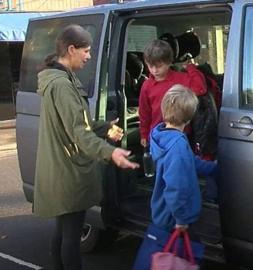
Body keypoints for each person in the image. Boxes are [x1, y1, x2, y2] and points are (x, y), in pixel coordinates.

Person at [34, 24, 139, 270]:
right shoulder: (62, 85)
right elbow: (79, 132)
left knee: (62, 232)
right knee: (70, 238)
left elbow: (80, 123)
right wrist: (110, 152)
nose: (90, 56)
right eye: (87, 51)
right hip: (68, 172)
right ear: (71, 49)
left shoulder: (60, 78)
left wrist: (104, 127)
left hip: (61, 169)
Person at [132, 85, 216, 269]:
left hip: (163, 212)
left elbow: (191, 162)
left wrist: (213, 168)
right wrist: (181, 219)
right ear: (189, 118)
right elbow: (175, 188)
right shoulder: (178, 145)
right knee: (180, 253)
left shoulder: (160, 133)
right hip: (174, 217)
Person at [138, 39, 207, 147]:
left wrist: (191, 68)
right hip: (157, 136)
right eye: (150, 66)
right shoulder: (147, 85)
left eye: (159, 66)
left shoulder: (181, 79)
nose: (155, 70)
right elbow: (144, 113)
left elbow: (200, 89)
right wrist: (144, 134)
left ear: (169, 62)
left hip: (181, 135)